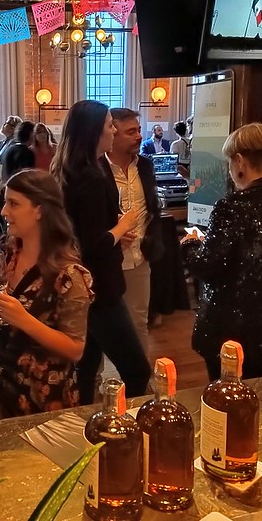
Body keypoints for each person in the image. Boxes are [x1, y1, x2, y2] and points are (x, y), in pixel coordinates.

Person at [181, 123, 262, 381]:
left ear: (240, 161)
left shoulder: (232, 206)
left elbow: (208, 265)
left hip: (231, 328)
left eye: (230, 162)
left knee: (226, 397)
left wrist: (190, 244)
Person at [0, 169, 92, 419]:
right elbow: (2, 317)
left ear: (39, 211)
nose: (3, 211)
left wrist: (25, 320)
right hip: (7, 382)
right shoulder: (10, 254)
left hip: (47, 393)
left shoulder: (69, 275)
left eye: (13, 203)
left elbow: (75, 349)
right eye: (5, 202)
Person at [50, 100, 152, 403]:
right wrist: (122, 226)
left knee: (86, 369)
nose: (114, 131)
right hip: (100, 288)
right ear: (95, 132)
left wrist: (114, 228)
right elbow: (93, 245)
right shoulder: (92, 176)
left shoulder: (71, 169)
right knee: (137, 370)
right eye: (110, 126)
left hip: (83, 284)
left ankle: (83, 421)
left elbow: (81, 231)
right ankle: (127, 422)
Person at [106, 108, 164, 357]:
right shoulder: (96, 168)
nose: (139, 136)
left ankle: (140, 376)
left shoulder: (146, 166)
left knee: (139, 321)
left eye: (139, 130)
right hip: (106, 259)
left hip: (139, 257)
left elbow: (152, 206)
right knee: (98, 325)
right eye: (131, 132)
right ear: (112, 133)